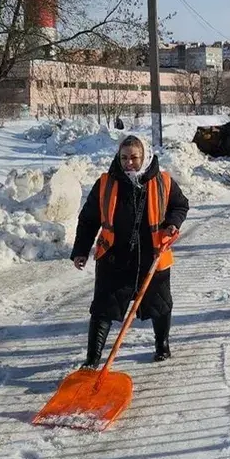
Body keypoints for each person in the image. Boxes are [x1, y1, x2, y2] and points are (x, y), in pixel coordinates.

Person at [70, 134, 190, 367]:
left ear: (144, 157)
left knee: (160, 304)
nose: (129, 163)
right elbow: (88, 219)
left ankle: (162, 345)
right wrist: (81, 250)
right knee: (103, 308)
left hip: (152, 255)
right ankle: (92, 359)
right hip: (114, 258)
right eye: (124, 158)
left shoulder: (163, 181)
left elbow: (180, 205)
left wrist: (172, 224)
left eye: (134, 157)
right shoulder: (106, 183)